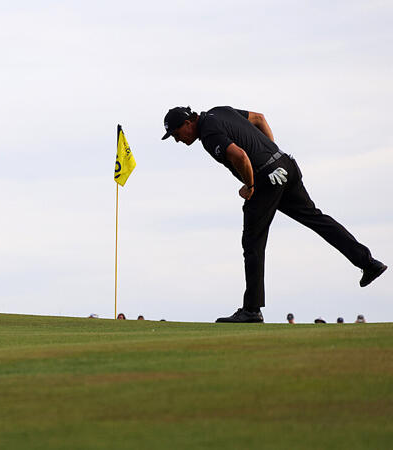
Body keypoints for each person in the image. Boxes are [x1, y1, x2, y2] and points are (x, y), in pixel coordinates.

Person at [162, 106, 388, 323]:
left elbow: (240, 156)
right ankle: (368, 263)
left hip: (265, 178)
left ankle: (251, 309)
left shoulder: (209, 134)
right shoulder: (220, 111)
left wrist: (249, 186)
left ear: (188, 122)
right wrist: (272, 156)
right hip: (285, 165)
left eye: (176, 134)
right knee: (316, 218)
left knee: (252, 241)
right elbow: (259, 118)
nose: (177, 140)